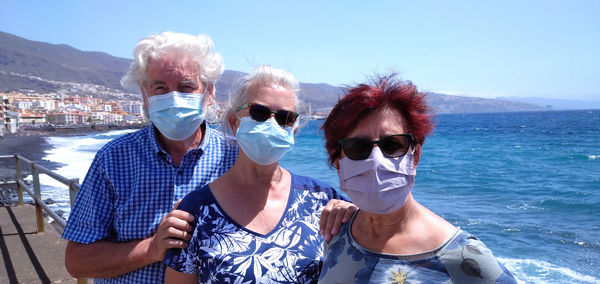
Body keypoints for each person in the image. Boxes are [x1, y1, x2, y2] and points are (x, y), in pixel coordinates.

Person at [62, 31, 239, 283]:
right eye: (160, 88)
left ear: (209, 93)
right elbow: (77, 261)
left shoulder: (235, 157)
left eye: (186, 87)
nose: (173, 98)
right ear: (145, 96)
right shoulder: (113, 159)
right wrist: (152, 249)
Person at [164, 66, 355, 283]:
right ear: (235, 123)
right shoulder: (195, 211)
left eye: (285, 118)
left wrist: (354, 214)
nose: (272, 124)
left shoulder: (322, 200)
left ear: (292, 130)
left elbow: (372, 242)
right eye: (259, 113)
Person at [318, 75, 517, 283]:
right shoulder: (336, 232)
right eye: (357, 147)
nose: (376, 160)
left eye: (393, 145)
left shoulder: (464, 259)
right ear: (338, 163)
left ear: (415, 157)